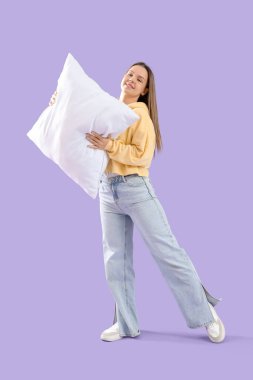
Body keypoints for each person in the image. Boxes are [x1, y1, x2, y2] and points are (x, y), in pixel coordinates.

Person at [85, 62, 226, 343]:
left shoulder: (141, 116)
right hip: (107, 190)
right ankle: (126, 323)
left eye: (139, 79)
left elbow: (142, 156)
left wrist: (110, 146)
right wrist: (58, 103)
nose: (132, 80)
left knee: (167, 252)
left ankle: (205, 313)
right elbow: (78, 123)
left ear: (145, 89)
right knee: (115, 259)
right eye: (130, 74)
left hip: (135, 189)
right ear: (122, 77)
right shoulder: (107, 109)